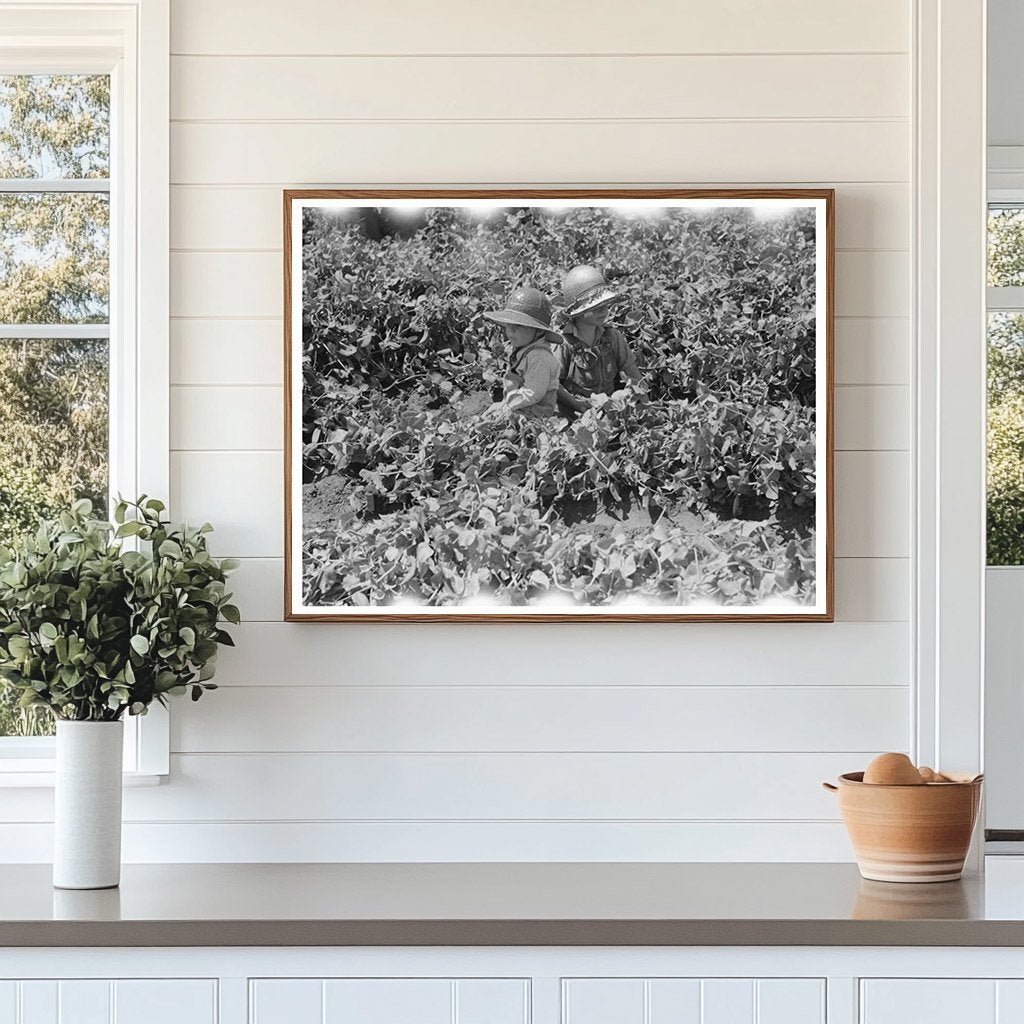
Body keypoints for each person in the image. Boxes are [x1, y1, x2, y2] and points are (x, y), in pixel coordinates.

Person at [556, 265, 641, 417]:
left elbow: (632, 373)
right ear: (578, 312)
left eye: (604, 305)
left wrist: (646, 406)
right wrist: (576, 405)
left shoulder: (613, 337)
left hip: (610, 413)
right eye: (595, 307)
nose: (603, 311)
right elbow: (553, 383)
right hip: (575, 417)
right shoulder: (564, 344)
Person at [482, 286, 562, 420]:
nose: (510, 332)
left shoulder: (539, 358)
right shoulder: (524, 348)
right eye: (508, 326)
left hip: (535, 414)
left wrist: (507, 407)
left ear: (539, 331)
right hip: (520, 407)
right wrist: (504, 404)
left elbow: (532, 394)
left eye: (518, 326)